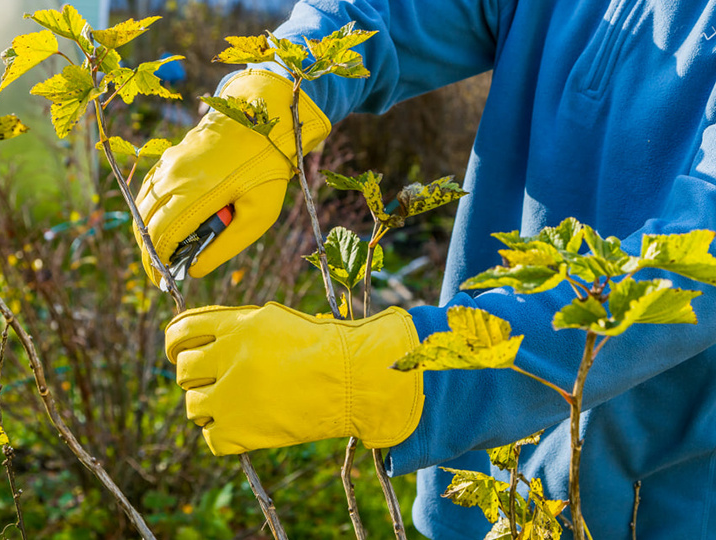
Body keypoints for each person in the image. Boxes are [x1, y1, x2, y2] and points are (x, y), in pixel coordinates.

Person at [133, 1, 716, 538]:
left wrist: (407, 373)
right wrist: (269, 94)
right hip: (466, 494)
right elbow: (387, 12)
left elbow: (695, 265)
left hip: (644, 513)